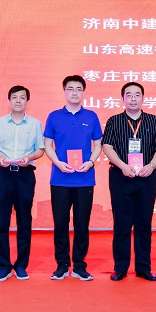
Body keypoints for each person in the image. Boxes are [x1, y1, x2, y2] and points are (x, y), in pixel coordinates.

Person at [102, 82, 156, 282]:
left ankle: (143, 268)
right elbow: (107, 146)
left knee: (143, 223)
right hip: (121, 176)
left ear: (143, 98)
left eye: (137, 95)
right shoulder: (114, 121)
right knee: (121, 224)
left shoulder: (153, 120)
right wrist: (122, 165)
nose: (133, 98)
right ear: (122, 99)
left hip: (146, 176)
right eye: (128, 95)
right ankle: (120, 268)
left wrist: (152, 165)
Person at [43, 75, 102, 281]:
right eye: (70, 89)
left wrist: (91, 162)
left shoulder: (91, 116)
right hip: (60, 178)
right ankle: (61, 264)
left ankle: (79, 265)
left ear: (83, 92)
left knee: (82, 224)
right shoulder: (54, 116)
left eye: (78, 89)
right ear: (64, 91)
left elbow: (98, 144)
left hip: (85, 178)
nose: (74, 92)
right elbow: (48, 145)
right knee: (60, 223)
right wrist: (58, 163)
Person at [0, 85, 45, 281]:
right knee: (1, 222)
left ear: (28, 101)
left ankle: (21, 265)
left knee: (24, 222)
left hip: (25, 176)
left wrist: (30, 157)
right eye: (14, 97)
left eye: (22, 98)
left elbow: (40, 149)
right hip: (3, 175)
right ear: (9, 101)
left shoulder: (35, 124)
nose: (18, 101)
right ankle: (3, 266)